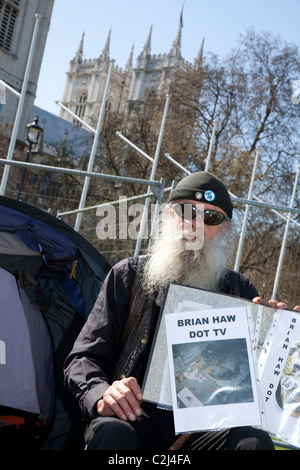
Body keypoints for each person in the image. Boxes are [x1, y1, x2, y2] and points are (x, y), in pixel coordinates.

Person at [64, 171, 288, 450]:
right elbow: (83, 359)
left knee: (253, 443)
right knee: (112, 434)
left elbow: (261, 380)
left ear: (224, 229)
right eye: (187, 211)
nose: (195, 224)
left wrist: (278, 336)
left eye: (211, 217)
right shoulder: (128, 276)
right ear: (169, 216)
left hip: (203, 432)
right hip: (133, 417)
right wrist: (103, 393)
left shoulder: (240, 290)